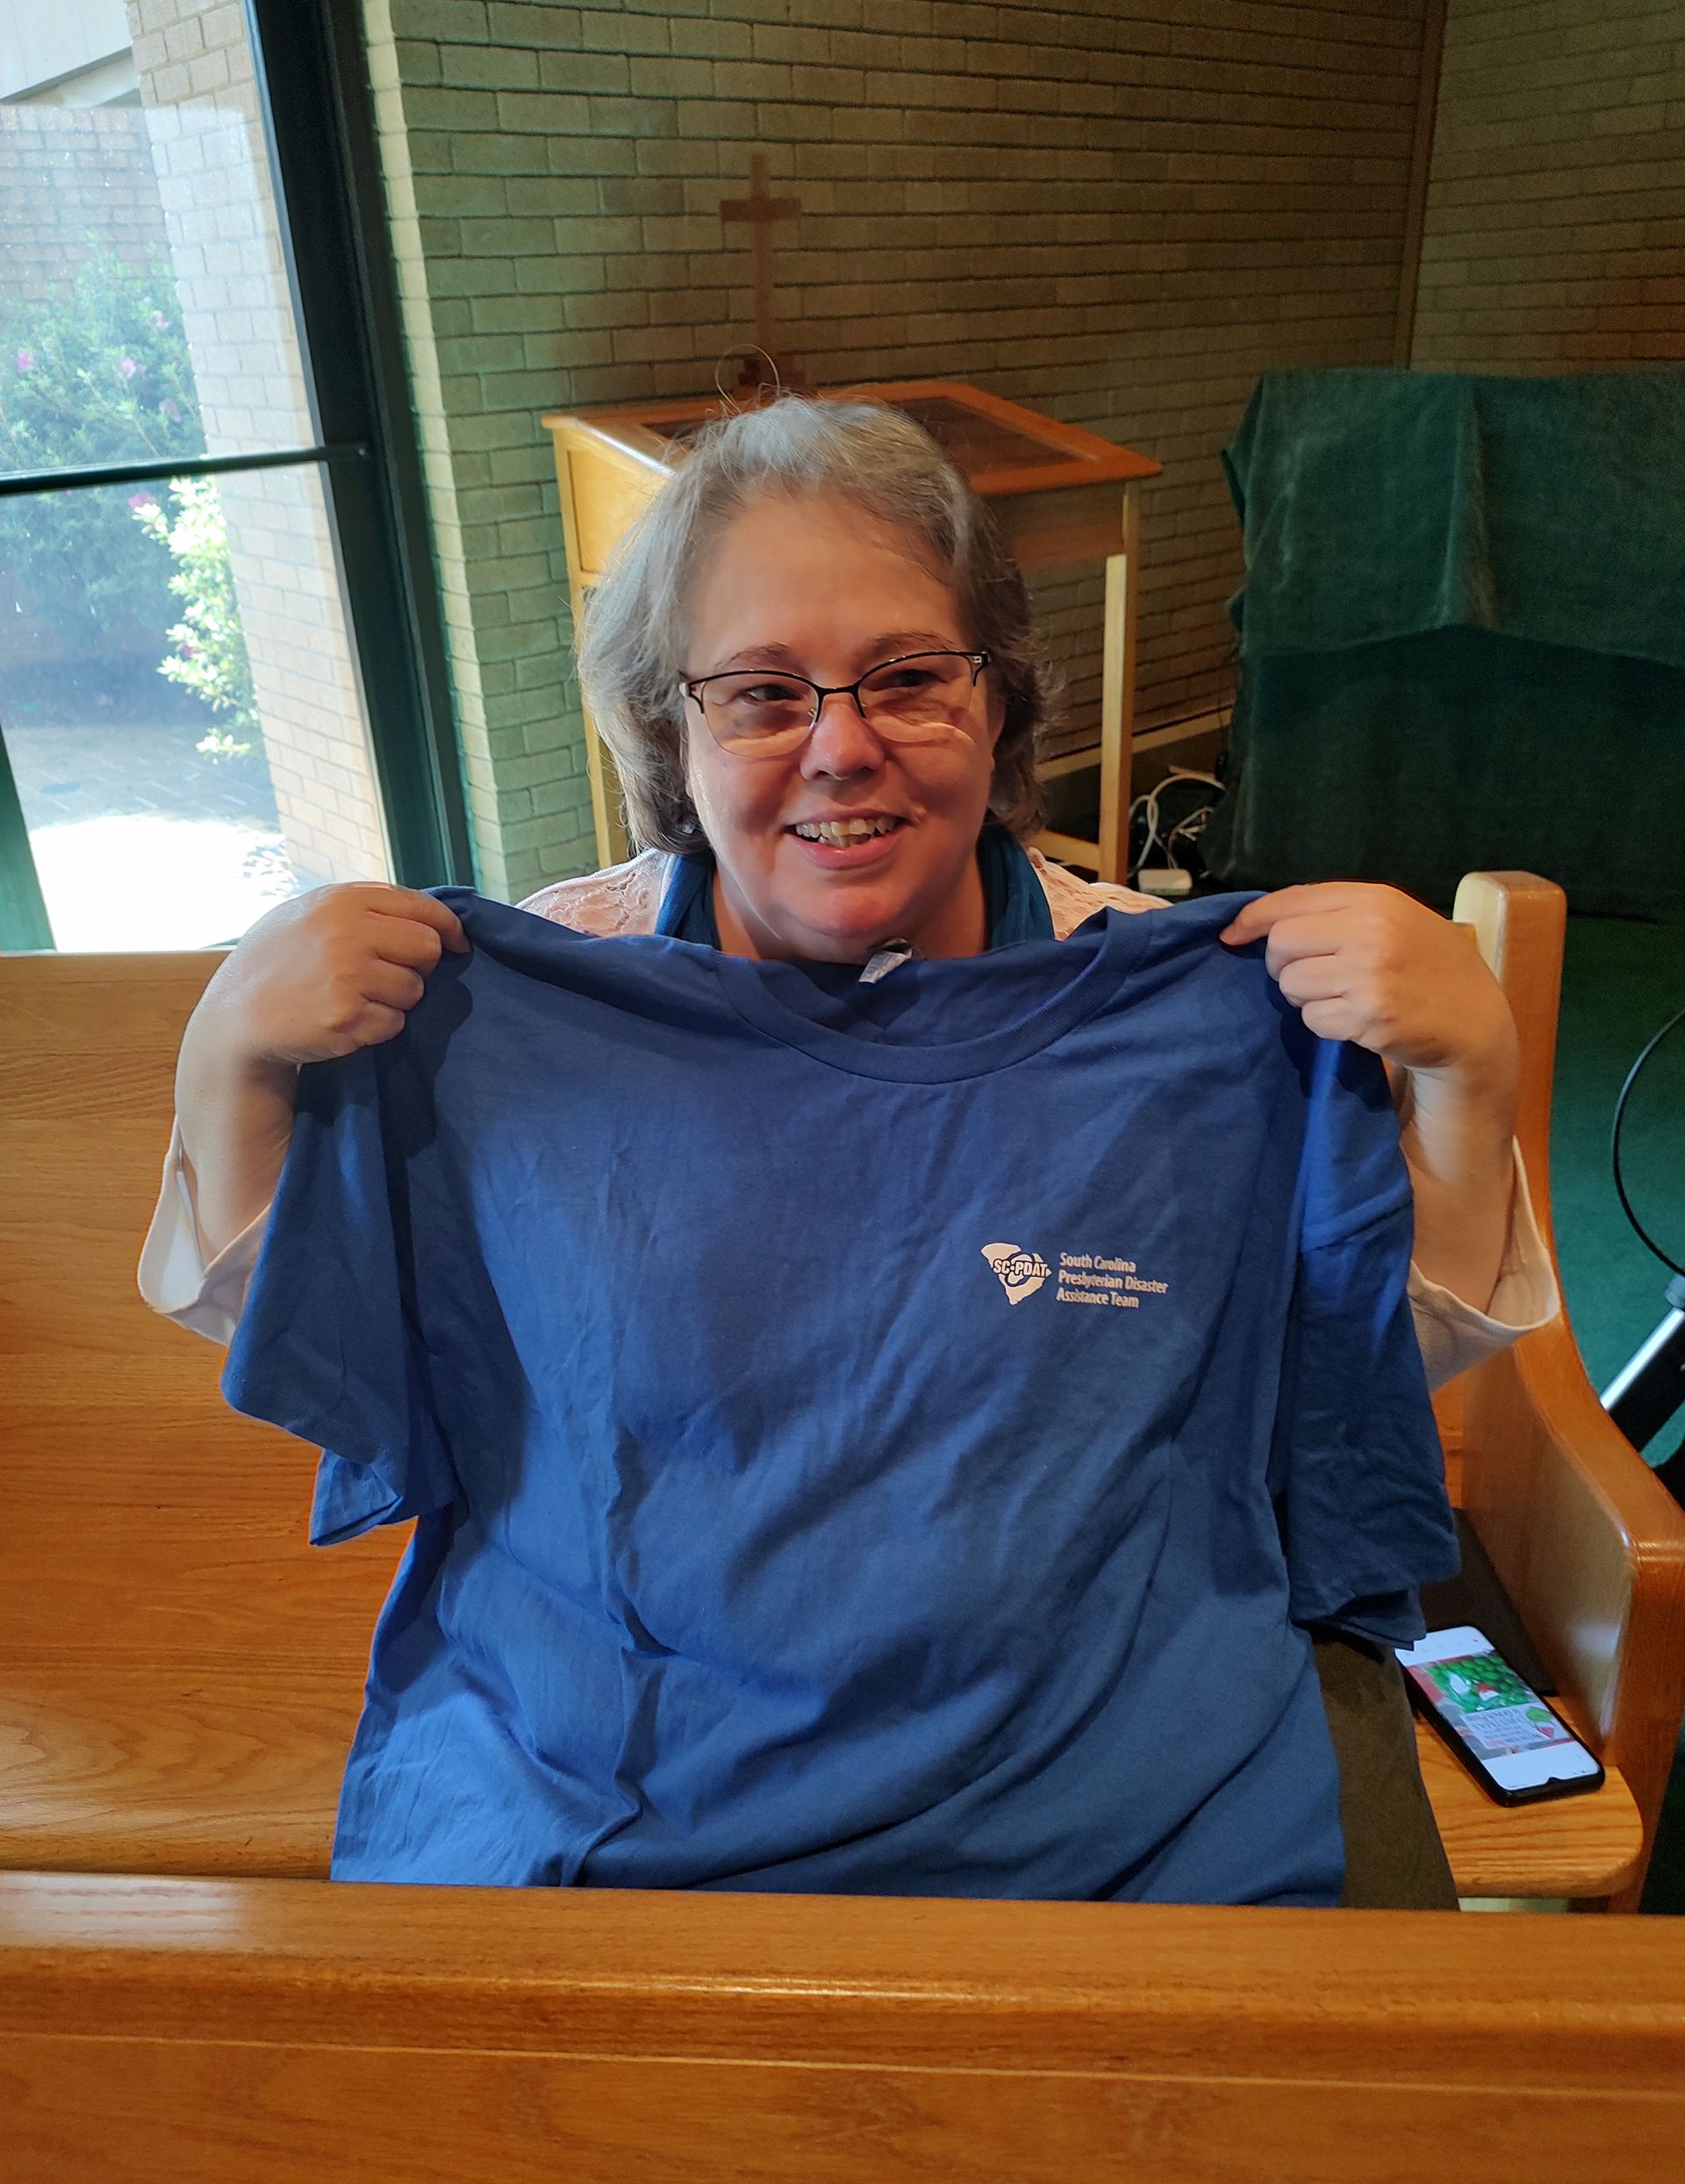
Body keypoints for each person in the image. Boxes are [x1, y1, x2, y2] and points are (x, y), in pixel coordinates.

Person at [141, 399, 1554, 1906]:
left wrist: (1469, 1079)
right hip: (616, 1809)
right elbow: (330, 1339)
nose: (841, 749)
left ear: (999, 702)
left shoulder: (1196, 1006)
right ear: (670, 735)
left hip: (1122, 1811)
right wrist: (228, 1063)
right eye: (758, 694)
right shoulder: (513, 1001)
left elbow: (1350, 1366)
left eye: (909, 679)